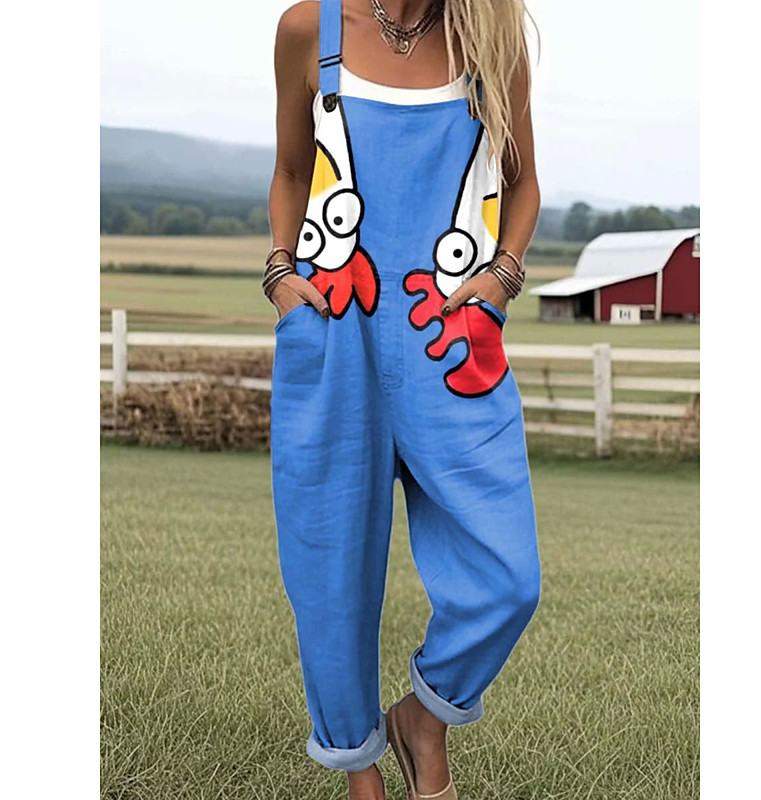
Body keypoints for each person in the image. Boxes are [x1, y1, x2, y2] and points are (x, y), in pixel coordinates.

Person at [264, 1, 541, 797]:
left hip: (451, 340)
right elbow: (292, 174)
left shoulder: (491, 38)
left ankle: (423, 718)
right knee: (330, 571)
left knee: (508, 576)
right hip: (332, 334)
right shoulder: (309, 29)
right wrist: (280, 275)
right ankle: (360, 770)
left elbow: (522, 184)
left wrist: (503, 276)